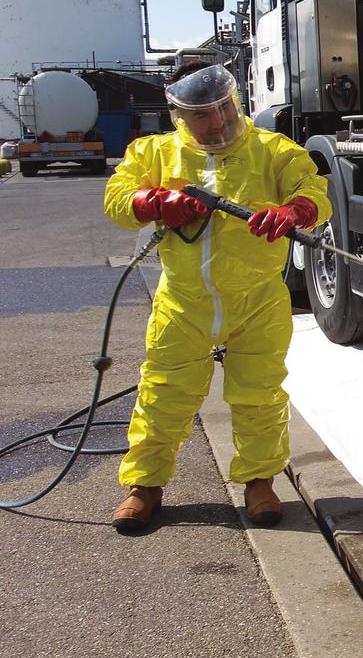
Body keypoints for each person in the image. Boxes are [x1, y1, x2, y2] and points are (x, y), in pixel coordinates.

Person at [103, 62, 331, 532]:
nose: (220, 120)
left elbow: (313, 189)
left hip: (258, 300)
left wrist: (295, 210)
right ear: (180, 116)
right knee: (163, 394)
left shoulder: (271, 150)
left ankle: (260, 483)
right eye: (204, 113)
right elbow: (118, 197)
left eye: (224, 107)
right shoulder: (155, 153)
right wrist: (154, 202)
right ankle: (144, 487)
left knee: (260, 394)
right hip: (183, 303)